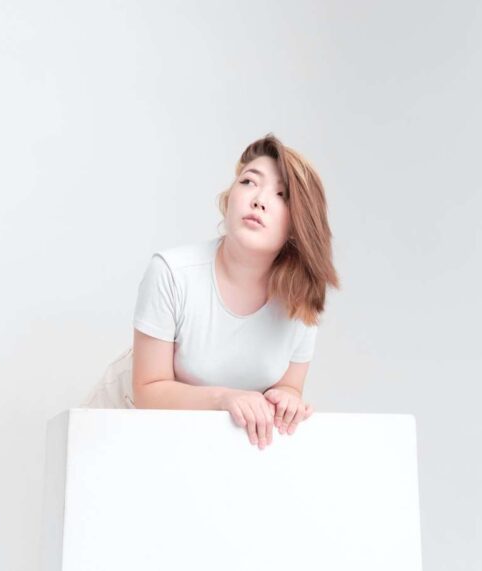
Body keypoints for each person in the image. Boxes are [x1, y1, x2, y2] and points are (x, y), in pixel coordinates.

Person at [110, 133, 339, 449]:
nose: (258, 199)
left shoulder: (301, 299)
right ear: (228, 199)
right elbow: (148, 391)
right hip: (118, 429)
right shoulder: (172, 272)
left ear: (297, 225)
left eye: (281, 194)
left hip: (201, 446)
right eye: (248, 182)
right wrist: (224, 399)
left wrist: (286, 401)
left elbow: (289, 387)